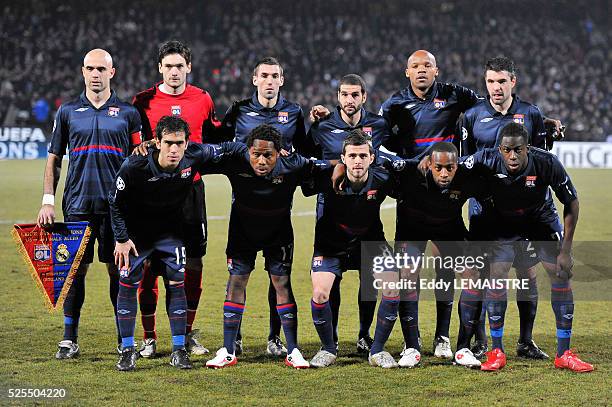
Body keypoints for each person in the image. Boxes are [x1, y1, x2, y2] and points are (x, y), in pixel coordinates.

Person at [36, 48, 142, 359]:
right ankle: (69, 339)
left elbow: (139, 161)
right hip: (78, 205)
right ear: (83, 72)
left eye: (100, 69)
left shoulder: (128, 113)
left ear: (112, 72)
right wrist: (47, 201)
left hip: (116, 208)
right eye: (89, 68)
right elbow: (54, 159)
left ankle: (125, 341)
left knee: (116, 271)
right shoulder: (68, 112)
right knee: (75, 271)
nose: (95, 74)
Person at [463, 122, 593, 373]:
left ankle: (564, 353)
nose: (512, 156)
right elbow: (454, 168)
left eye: (518, 150)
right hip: (501, 222)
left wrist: (566, 250)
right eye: (507, 150)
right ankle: (497, 351)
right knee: (497, 273)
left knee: (560, 272)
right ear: (499, 149)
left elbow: (572, 203)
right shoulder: (485, 159)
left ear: (528, 149)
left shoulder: (547, 162)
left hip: (539, 219)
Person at [109, 115, 230, 371]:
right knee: (128, 285)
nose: (174, 149)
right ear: (157, 142)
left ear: (187, 143)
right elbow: (115, 203)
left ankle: (178, 350)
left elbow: (228, 148)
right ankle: (128, 349)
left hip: (171, 234)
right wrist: (121, 238)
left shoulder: (193, 156)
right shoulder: (134, 165)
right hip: (136, 237)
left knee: (177, 285)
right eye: (168, 143)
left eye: (179, 143)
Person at [205, 124, 329, 369]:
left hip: (278, 234)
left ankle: (293, 350)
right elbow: (199, 156)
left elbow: (324, 166)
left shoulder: (293, 164)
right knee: (236, 282)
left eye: (268, 155)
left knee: (282, 284)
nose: (261, 161)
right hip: (242, 233)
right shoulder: (235, 161)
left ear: (279, 153)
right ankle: (228, 350)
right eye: (256, 154)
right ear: (248, 151)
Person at [132, 40, 220, 357]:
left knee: (194, 261)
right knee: (148, 265)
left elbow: (214, 135)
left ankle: (187, 332)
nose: (173, 71)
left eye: (179, 66)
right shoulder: (143, 101)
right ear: (160, 68)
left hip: (191, 191)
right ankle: (150, 336)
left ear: (188, 67)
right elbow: (137, 144)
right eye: (168, 66)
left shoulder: (202, 99)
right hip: (154, 192)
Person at [214, 57, 307, 356]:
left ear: (282, 79)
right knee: (239, 275)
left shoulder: (294, 112)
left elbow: (304, 150)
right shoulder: (239, 109)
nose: (269, 80)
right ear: (255, 79)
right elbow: (220, 144)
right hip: (244, 204)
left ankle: (274, 337)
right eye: (264, 75)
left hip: (279, 205)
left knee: (277, 276)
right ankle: (235, 337)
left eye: (274, 76)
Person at [461, 56, 551, 359]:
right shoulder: (472, 116)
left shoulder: (531, 113)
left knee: (527, 274)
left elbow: (539, 159)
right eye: (490, 81)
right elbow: (465, 165)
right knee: (485, 275)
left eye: (501, 81)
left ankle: (526, 341)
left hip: (523, 212)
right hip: (485, 212)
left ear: (513, 81)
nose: (495, 87)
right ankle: (483, 341)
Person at [380, 142, 489, 368]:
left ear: (457, 166)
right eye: (438, 167)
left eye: (450, 167)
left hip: (449, 230)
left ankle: (463, 348)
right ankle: (411, 347)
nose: (444, 173)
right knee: (407, 275)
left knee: (474, 273)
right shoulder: (409, 172)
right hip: (412, 231)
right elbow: (379, 158)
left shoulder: (467, 177)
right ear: (429, 164)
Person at [304, 74, 392, 354]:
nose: (349, 100)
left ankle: (365, 336)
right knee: (333, 278)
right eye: (345, 94)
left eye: (355, 95)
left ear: (364, 97)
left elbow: (391, 156)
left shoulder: (379, 125)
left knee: (370, 280)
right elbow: (307, 155)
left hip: (366, 208)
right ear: (338, 97)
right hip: (331, 209)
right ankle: (333, 338)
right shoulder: (324, 126)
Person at [307, 130, 400, 369]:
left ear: (371, 158)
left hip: (370, 241)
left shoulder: (382, 179)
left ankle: (376, 350)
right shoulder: (327, 177)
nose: (357, 160)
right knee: (320, 294)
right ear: (343, 158)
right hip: (330, 243)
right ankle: (328, 348)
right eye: (352, 155)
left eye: (362, 155)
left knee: (392, 288)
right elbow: (298, 172)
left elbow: (408, 185)